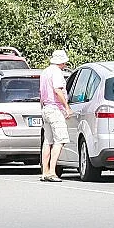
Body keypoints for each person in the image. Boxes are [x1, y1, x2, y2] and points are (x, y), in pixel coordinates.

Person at [40, 50, 73, 182]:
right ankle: (52, 172)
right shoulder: (57, 72)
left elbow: (42, 93)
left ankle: (45, 171)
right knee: (60, 140)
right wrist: (67, 107)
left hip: (46, 108)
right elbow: (57, 89)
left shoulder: (45, 72)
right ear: (62, 61)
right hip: (54, 109)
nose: (65, 64)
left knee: (48, 141)